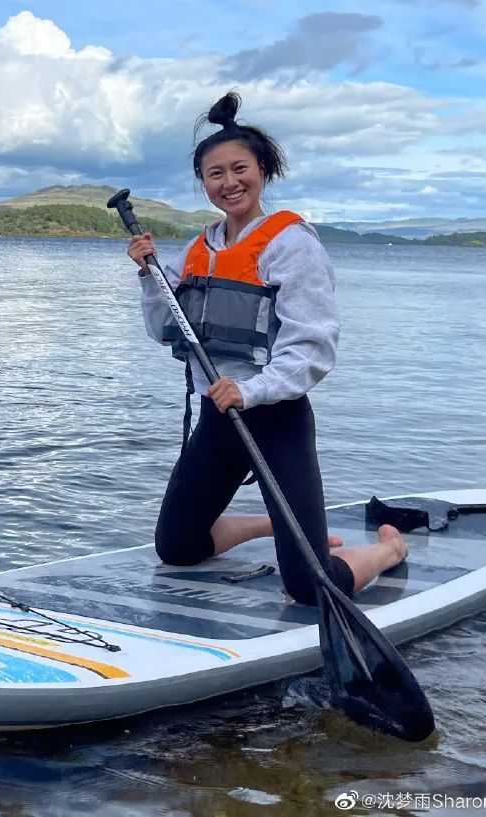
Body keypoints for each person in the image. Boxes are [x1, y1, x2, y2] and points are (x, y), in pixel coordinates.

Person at [126, 91, 407, 605]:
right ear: (203, 183)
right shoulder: (198, 249)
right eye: (215, 174)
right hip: (218, 417)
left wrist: (252, 391)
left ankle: (386, 552)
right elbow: (170, 328)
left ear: (263, 170)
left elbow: (313, 347)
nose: (229, 183)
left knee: (307, 586)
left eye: (240, 169)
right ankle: (266, 524)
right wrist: (149, 276)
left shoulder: (291, 243)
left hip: (275, 418)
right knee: (178, 547)